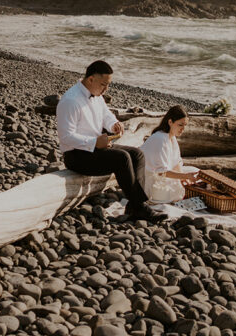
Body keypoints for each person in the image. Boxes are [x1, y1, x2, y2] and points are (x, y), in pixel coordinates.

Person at [56, 59, 164, 222]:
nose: (106, 89)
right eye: (103, 84)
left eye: (108, 85)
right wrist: (93, 142)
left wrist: (114, 124)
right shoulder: (70, 100)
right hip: (76, 156)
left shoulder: (97, 94)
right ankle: (140, 207)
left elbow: (106, 114)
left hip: (95, 149)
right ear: (91, 79)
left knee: (137, 154)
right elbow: (65, 137)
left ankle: (135, 205)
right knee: (122, 158)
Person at [141, 104, 197, 202]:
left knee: (195, 171)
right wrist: (185, 176)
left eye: (185, 125)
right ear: (170, 122)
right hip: (150, 181)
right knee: (176, 190)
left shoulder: (172, 137)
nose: (183, 129)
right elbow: (162, 172)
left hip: (162, 174)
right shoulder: (160, 138)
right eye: (180, 125)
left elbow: (176, 163)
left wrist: (183, 178)